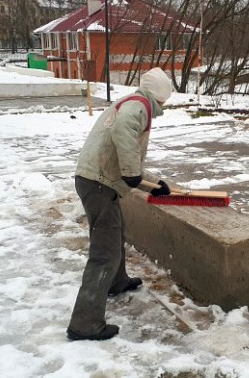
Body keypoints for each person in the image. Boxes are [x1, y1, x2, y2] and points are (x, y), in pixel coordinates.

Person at [67, 67, 173, 341]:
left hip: (95, 179)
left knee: (116, 231)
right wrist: (133, 175)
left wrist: (154, 183)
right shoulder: (137, 108)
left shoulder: (133, 102)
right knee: (104, 252)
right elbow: (125, 138)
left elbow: (131, 164)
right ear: (160, 95)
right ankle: (85, 323)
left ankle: (117, 281)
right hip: (99, 182)